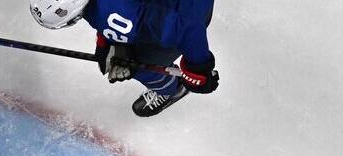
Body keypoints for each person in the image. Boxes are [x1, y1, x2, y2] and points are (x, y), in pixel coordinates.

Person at [29, 0, 219, 117]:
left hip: (189, 10)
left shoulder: (117, 14)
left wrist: (198, 70)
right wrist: (107, 39)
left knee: (139, 63)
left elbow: (188, 30)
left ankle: (171, 88)